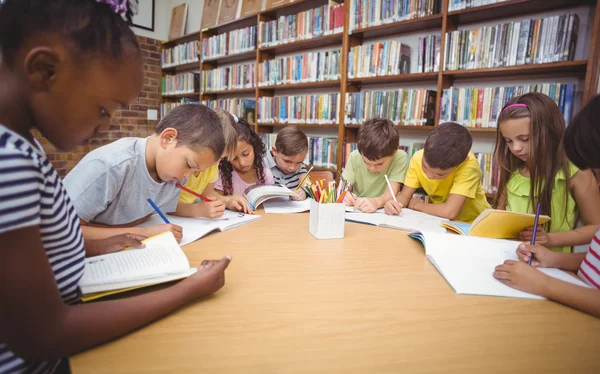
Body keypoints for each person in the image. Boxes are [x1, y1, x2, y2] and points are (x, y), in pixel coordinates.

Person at [0, 2, 231, 372]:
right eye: (104, 110)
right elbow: (43, 334)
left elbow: (42, 241)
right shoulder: (9, 162)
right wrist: (186, 290)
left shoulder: (20, 148)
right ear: (44, 70)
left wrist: (103, 242)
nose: (106, 129)